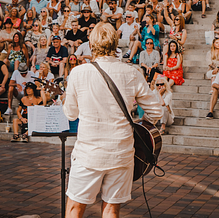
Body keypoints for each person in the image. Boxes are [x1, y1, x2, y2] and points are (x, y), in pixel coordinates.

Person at [63, 22, 161, 218]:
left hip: (88, 153)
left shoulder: (78, 73)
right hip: (121, 152)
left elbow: (70, 114)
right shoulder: (132, 72)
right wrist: (140, 126)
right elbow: (156, 111)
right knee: (111, 209)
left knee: (75, 208)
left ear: (91, 45)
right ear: (116, 44)